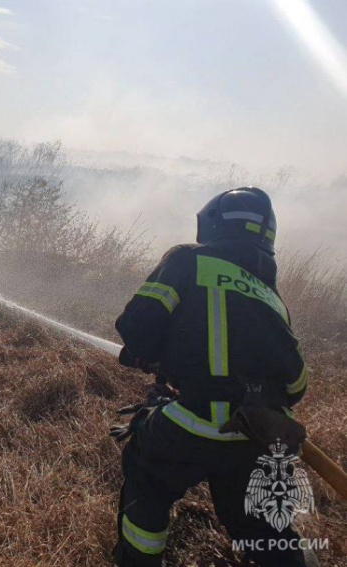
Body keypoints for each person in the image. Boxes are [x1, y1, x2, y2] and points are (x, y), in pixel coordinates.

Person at [112, 187, 311, 566]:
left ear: (216, 223)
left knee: (147, 481)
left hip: (191, 422)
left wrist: (148, 355)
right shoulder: (272, 297)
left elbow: (137, 325)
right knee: (263, 525)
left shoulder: (188, 260)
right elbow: (297, 385)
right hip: (255, 436)